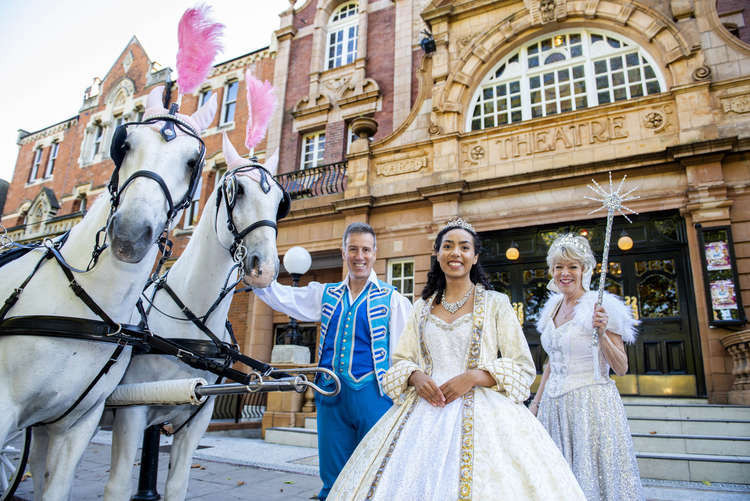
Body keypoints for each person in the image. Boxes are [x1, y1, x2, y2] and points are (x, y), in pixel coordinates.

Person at [328, 218, 585, 500]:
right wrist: (416, 376)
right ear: (437, 254)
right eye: (448, 246)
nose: (455, 253)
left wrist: (475, 376)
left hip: (488, 412)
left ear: (474, 257)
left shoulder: (496, 303)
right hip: (423, 410)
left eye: (464, 247)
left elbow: (522, 365)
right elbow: (399, 359)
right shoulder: (421, 308)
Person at [253, 222, 412, 500]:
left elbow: (405, 353)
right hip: (330, 396)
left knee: (374, 473)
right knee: (332, 477)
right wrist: (259, 282)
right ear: (343, 252)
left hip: (374, 398)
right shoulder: (326, 294)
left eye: (365, 249)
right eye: (353, 249)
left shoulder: (392, 299)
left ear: (375, 253)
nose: (359, 256)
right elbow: (286, 298)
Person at [529, 233, 644, 501]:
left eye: (572, 266)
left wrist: (602, 333)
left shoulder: (601, 307)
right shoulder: (551, 308)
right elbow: (551, 361)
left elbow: (622, 367)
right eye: (558, 267)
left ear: (585, 270)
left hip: (590, 405)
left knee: (590, 480)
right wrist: (536, 402)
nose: (564, 273)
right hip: (553, 409)